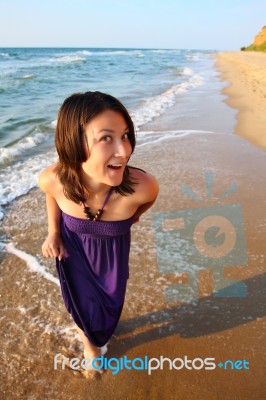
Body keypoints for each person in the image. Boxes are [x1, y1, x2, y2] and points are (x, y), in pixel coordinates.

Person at [38, 91, 159, 377]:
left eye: (126, 135)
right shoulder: (52, 179)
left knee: (111, 303)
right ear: (73, 143)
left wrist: (134, 216)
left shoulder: (143, 187)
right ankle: (91, 348)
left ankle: (98, 335)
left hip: (112, 255)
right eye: (106, 138)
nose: (123, 150)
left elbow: (146, 202)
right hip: (73, 252)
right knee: (80, 305)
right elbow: (51, 196)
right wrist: (53, 232)